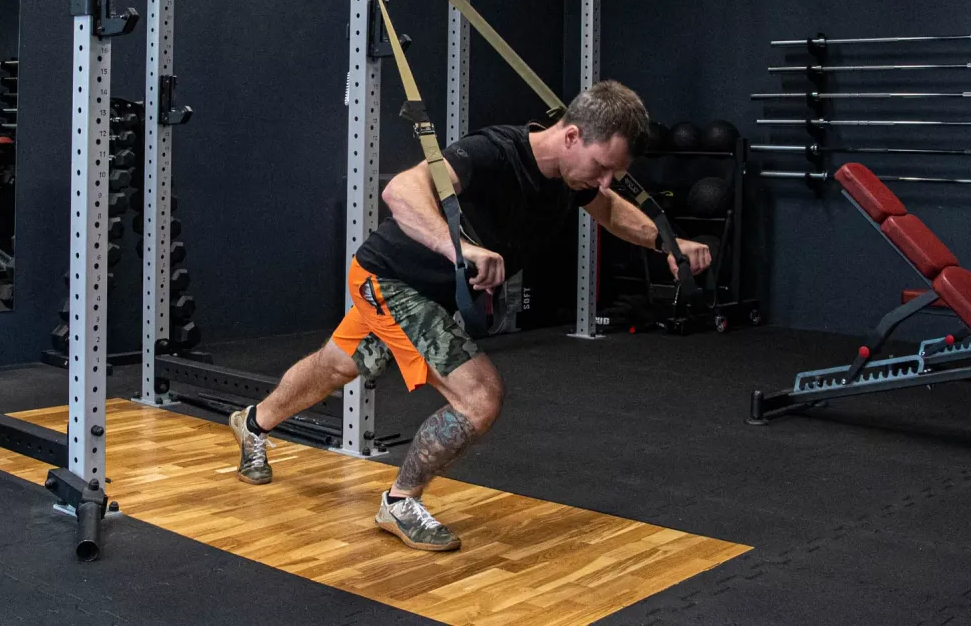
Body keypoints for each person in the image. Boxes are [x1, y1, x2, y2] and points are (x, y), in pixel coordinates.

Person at [229, 80, 712, 551]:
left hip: (424, 294)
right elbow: (400, 190)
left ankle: (252, 423)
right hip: (389, 279)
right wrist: (460, 248)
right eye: (602, 166)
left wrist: (666, 244)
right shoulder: (493, 151)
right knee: (479, 397)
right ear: (571, 137)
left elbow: (608, 208)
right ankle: (400, 502)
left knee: (336, 365)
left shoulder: (572, 178)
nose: (604, 180)